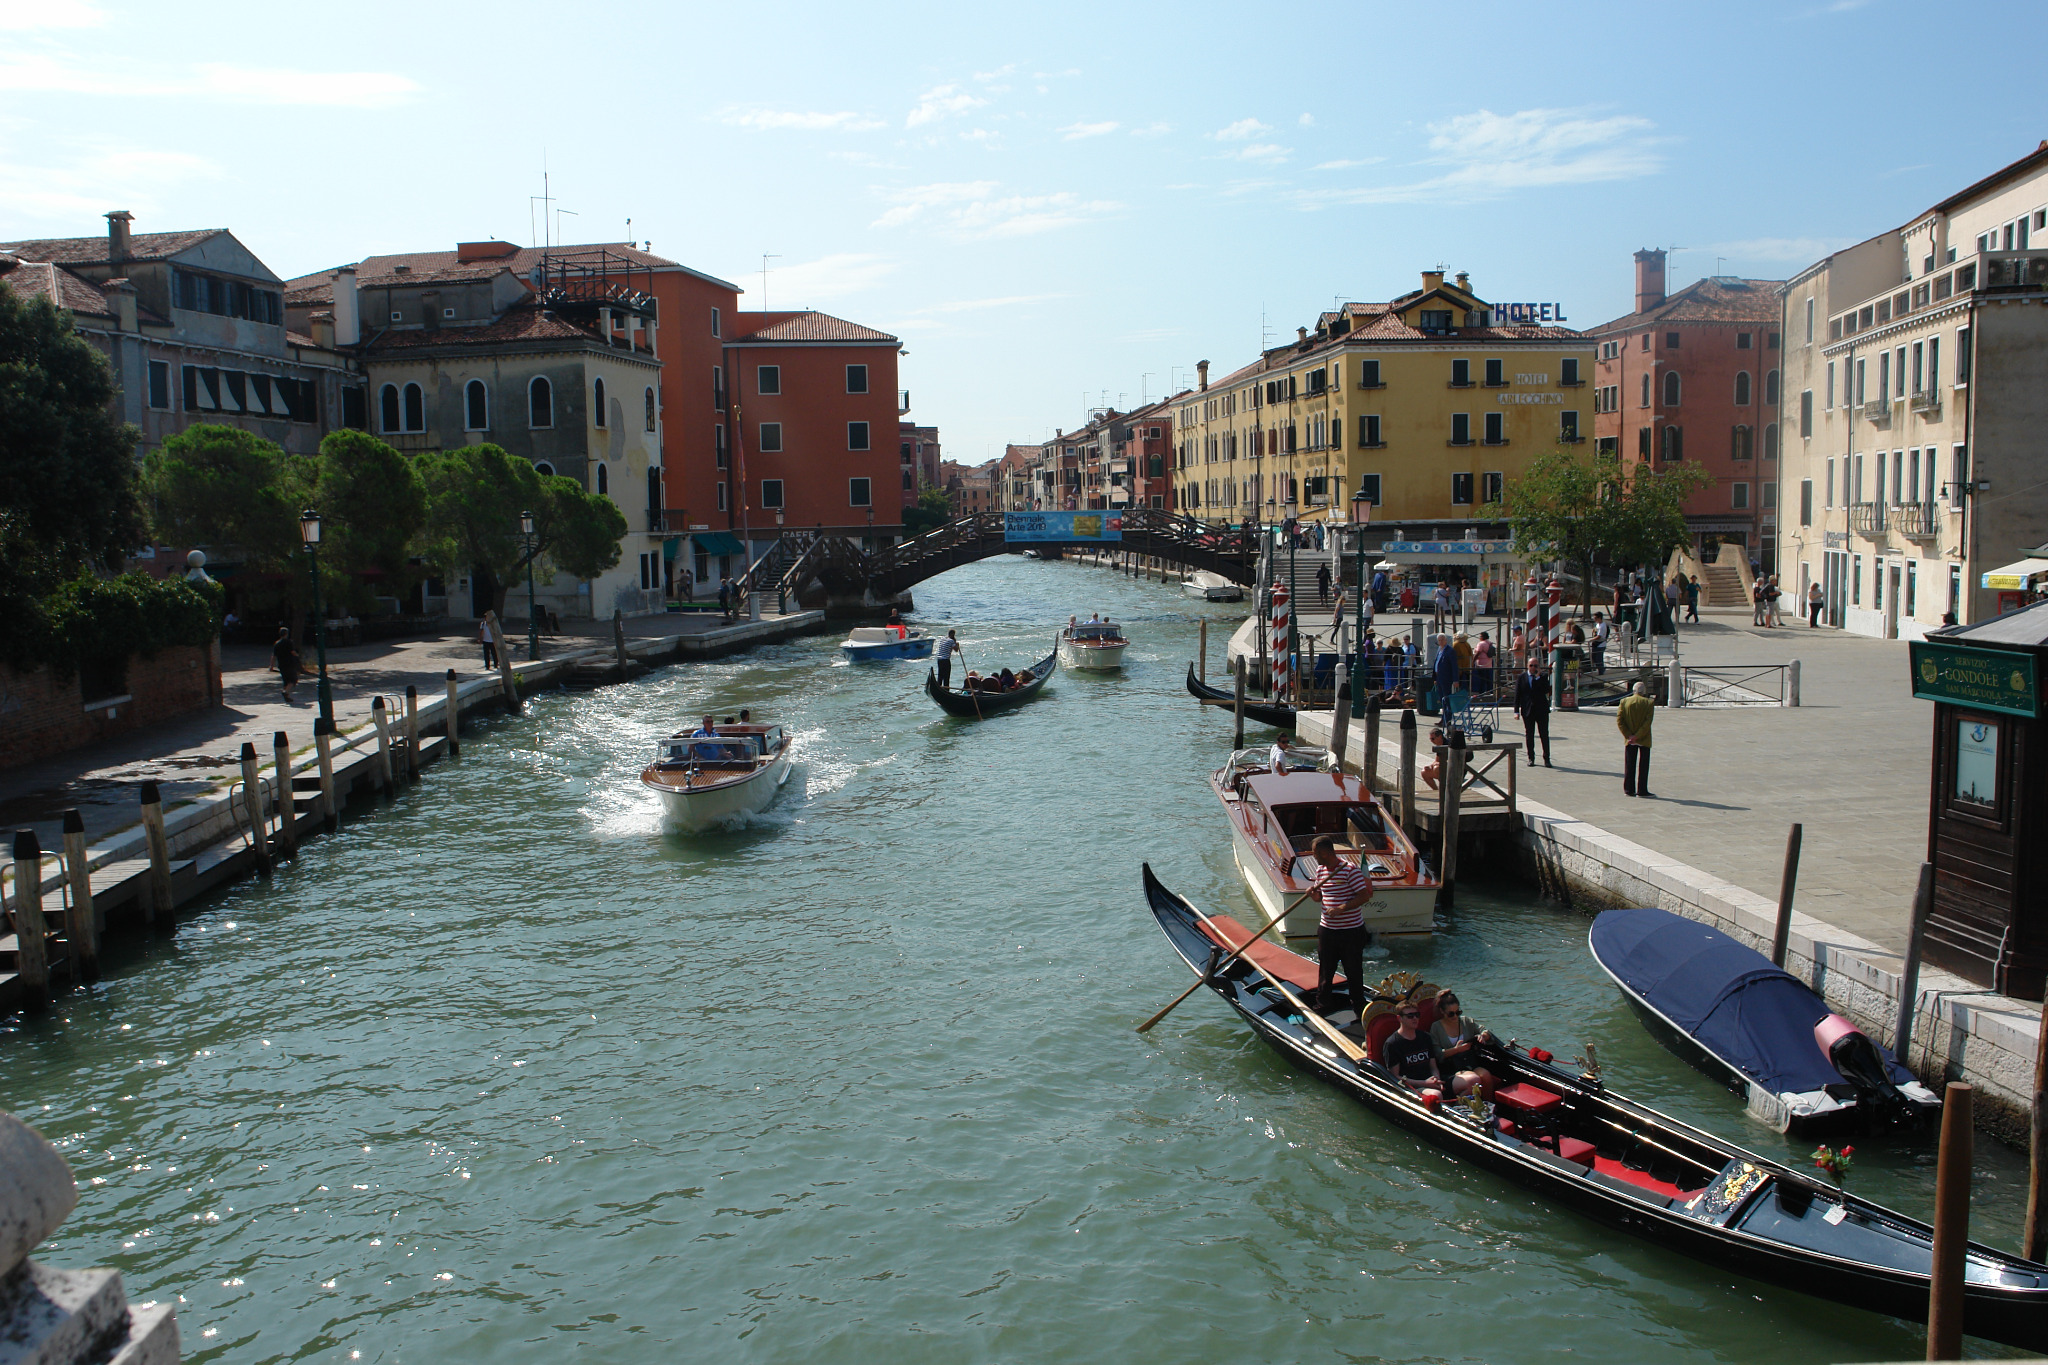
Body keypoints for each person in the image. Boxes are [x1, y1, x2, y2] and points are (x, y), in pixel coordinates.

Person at [1307, 834, 1372, 1020]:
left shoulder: (1350, 870)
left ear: (1325, 853)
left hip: (1351, 931)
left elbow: (1364, 896)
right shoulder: (1320, 871)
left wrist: (1341, 908)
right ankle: (1323, 1004)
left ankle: (1359, 1006)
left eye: (1315, 854)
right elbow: (1321, 897)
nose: (1314, 857)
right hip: (1327, 930)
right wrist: (1313, 895)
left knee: (1353, 969)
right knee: (1326, 969)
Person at [1428, 989, 1497, 1099]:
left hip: (1468, 1063)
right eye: (1451, 1014)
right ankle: (1465, 1107)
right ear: (1442, 1011)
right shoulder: (1436, 1027)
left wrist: (1483, 1035)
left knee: (1486, 1076)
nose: (1455, 1016)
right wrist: (1456, 1050)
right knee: (1474, 1078)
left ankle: (1488, 1106)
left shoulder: (1466, 1021)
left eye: (1458, 1012)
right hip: (1450, 1067)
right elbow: (1438, 1055)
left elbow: (1486, 1031)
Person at [1380, 1000, 1443, 1097]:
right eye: (1410, 1016)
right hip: (1413, 1087)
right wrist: (1425, 1083)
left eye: (1417, 1015)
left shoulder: (1425, 1037)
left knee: (1471, 1080)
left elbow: (1433, 1066)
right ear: (1399, 1018)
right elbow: (1395, 1077)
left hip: (1431, 1082)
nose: (1415, 1018)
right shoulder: (1392, 1044)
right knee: (1436, 1094)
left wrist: (1436, 1079)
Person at [1618, 678, 1656, 798]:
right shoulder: (1648, 703)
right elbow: (1647, 723)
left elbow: (1620, 721)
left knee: (1629, 764)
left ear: (1633, 690)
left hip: (1629, 739)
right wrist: (1637, 736)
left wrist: (1629, 735)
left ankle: (1629, 789)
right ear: (1643, 691)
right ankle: (1642, 790)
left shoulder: (1624, 701)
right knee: (1643, 765)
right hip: (1643, 738)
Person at [1514, 658, 1552, 767]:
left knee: (1544, 734)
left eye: (1535, 666)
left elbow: (1545, 690)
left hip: (1541, 710)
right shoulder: (1522, 677)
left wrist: (1538, 677)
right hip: (1528, 710)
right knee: (1529, 735)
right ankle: (1531, 758)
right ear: (1527, 666)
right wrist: (1516, 711)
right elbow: (1518, 695)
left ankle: (1546, 758)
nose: (1533, 668)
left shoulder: (1543, 677)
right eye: (1531, 665)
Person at [270, 626, 302, 702]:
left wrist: (271, 666)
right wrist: (298, 656)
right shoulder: (288, 642)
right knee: (293, 679)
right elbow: (292, 652)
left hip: (281, 664)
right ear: (286, 634)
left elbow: (274, 656)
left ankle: (287, 696)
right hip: (289, 663)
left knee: (286, 681)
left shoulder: (277, 644)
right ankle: (285, 692)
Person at [1431, 633, 1457, 715]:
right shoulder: (1439, 649)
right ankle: (1443, 718)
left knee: (1446, 698)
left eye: (1442, 640)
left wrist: (1456, 680)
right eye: (1439, 640)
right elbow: (1437, 663)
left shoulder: (1450, 650)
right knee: (1441, 699)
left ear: (1446, 640)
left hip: (1446, 678)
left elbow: (1454, 666)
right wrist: (1435, 678)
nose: (1441, 642)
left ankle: (1448, 718)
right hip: (1439, 677)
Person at [1471, 632, 1495, 700]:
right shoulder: (1490, 643)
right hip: (1489, 664)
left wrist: (1473, 662)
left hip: (1481, 664)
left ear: (1482, 637)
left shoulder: (1481, 644)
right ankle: (1490, 693)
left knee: (1482, 680)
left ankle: (1481, 694)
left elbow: (1478, 652)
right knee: (1488, 680)